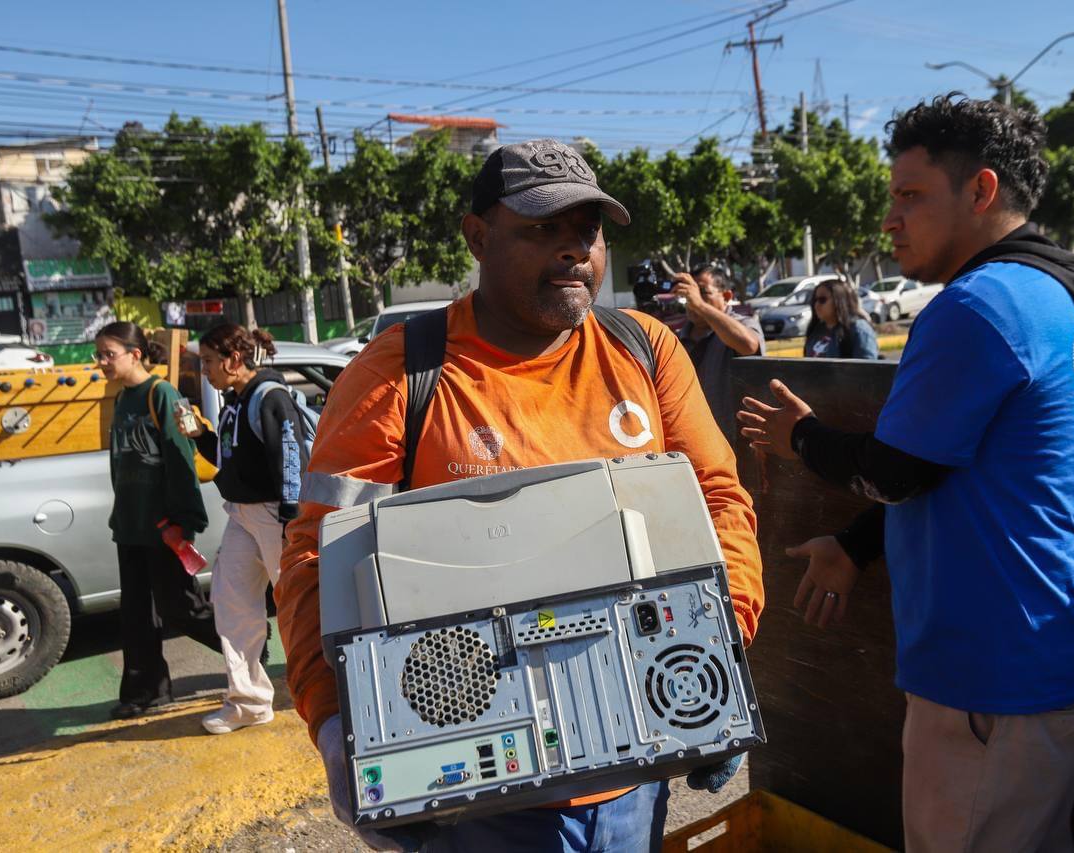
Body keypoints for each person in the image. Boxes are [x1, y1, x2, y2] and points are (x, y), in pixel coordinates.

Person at [275, 138, 764, 852]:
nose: (575, 251)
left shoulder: (645, 350)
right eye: (543, 229)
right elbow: (317, 558)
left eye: (587, 232)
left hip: (634, 775)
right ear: (478, 236)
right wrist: (330, 722)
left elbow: (721, 502)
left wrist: (726, 638)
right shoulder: (396, 378)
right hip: (476, 800)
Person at [739, 95, 1074, 852]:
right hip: (1033, 665)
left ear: (980, 191)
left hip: (994, 681)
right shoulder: (1040, 293)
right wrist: (855, 543)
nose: (890, 219)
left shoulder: (981, 305)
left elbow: (897, 470)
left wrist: (801, 438)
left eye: (910, 196)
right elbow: (955, 468)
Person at [174, 323, 308, 735]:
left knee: (300, 609)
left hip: (273, 516)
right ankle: (249, 701)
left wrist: (291, 520)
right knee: (231, 603)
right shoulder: (236, 399)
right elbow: (228, 457)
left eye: (211, 362)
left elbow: (290, 460)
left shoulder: (270, 397)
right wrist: (199, 437)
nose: (206, 371)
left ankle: (329, 689)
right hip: (243, 515)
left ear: (234, 360)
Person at [94, 321, 222, 720]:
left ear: (135, 354)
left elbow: (181, 460)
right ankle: (145, 691)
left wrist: (182, 522)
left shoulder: (161, 394)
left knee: (180, 607)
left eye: (107, 354)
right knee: (135, 614)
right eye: (98, 355)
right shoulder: (121, 398)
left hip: (163, 526)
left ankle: (249, 645)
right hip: (130, 525)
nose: (101, 363)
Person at [671, 263, 765, 439]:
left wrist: (700, 305)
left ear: (727, 296)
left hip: (736, 441)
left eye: (703, 292)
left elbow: (749, 345)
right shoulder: (676, 337)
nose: (693, 299)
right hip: (693, 438)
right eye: (691, 292)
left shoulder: (743, 323)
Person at [802, 279, 878, 360]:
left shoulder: (858, 329)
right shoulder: (816, 330)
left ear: (839, 300)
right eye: (814, 300)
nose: (816, 305)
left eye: (822, 300)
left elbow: (867, 369)